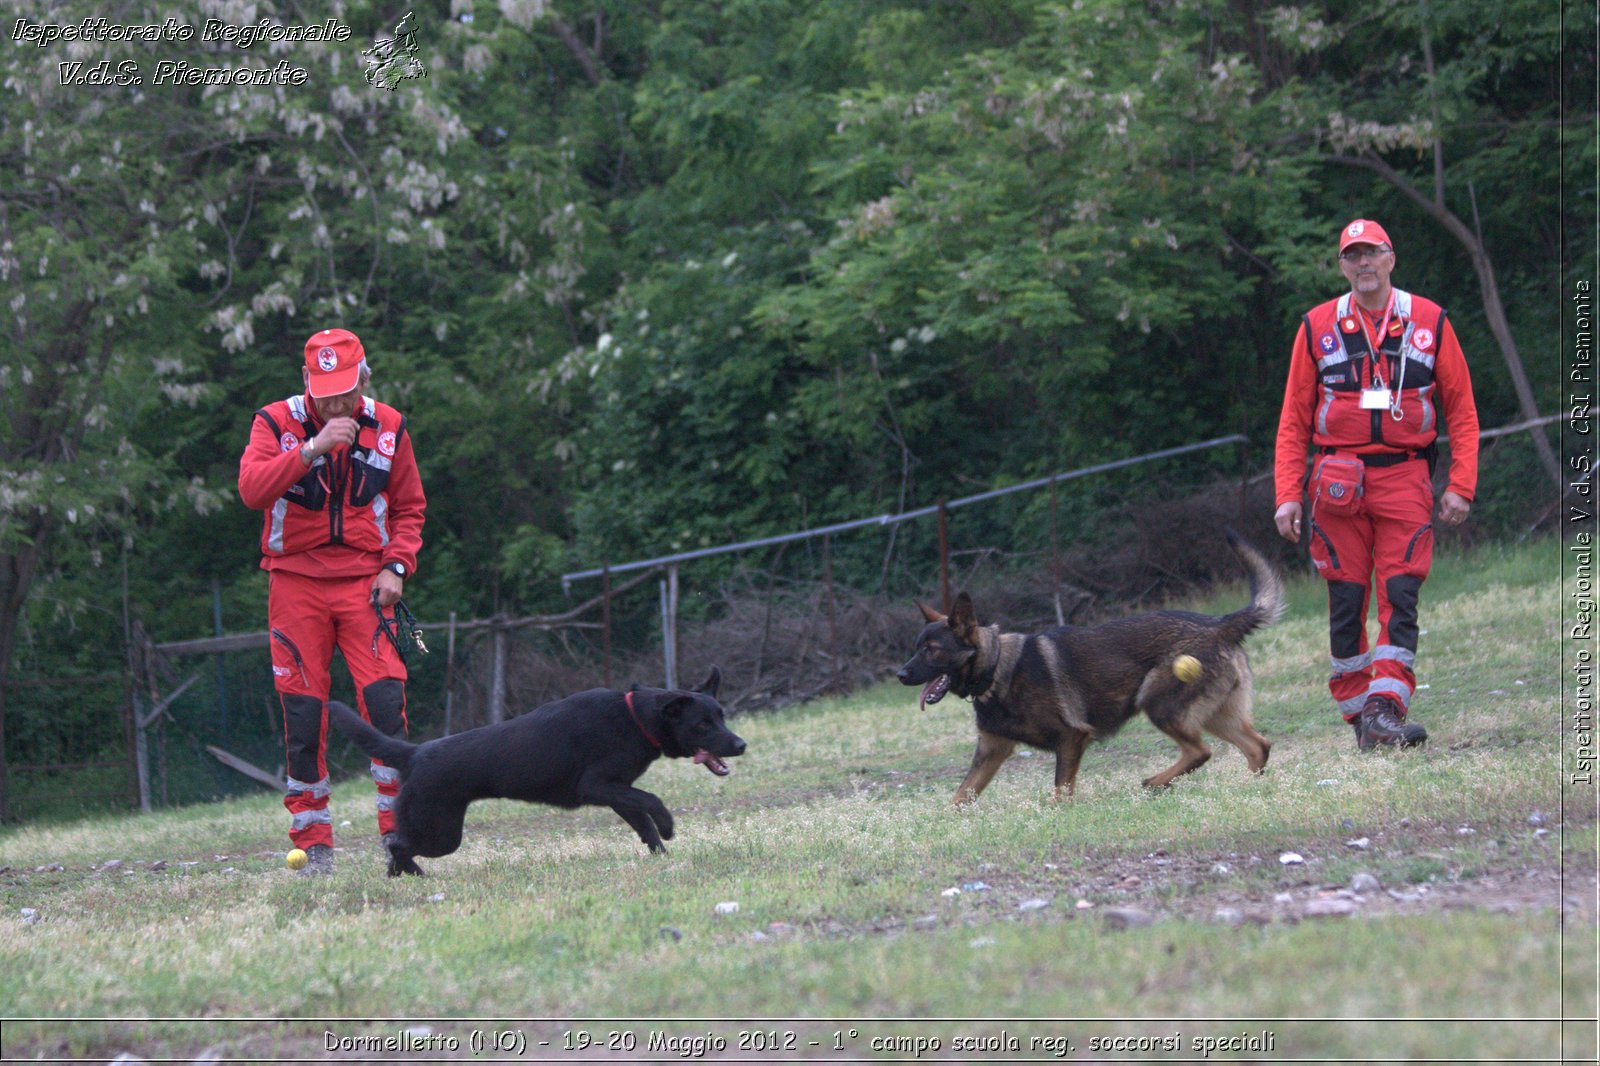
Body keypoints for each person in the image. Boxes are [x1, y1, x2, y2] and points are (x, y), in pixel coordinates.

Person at [1273, 219, 1479, 751]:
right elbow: (1293, 420)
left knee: (1400, 594)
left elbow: (1462, 409)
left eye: (1373, 253)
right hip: (1336, 482)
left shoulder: (1430, 319)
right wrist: (1286, 494)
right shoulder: (1316, 325)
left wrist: (1462, 483)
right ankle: (1360, 717)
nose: (1364, 263)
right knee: (1346, 600)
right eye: (1353, 255)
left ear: (1391, 258)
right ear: (1343, 266)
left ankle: (1386, 709)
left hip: (1406, 475)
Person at [237, 328, 427, 872]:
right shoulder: (274, 423)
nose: (336, 403)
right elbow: (252, 489)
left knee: (387, 706)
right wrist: (312, 449)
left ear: (365, 378)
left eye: (346, 390)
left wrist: (396, 565)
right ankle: (312, 840)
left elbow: (410, 508)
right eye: (325, 391)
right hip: (294, 583)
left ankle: (399, 834)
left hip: (366, 584)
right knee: (302, 714)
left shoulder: (390, 426)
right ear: (305, 381)